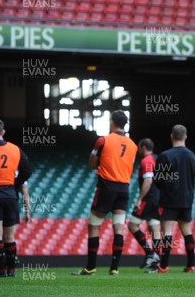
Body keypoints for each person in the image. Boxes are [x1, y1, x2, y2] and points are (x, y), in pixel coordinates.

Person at [73, 110, 137, 276]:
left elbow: (92, 164)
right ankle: (114, 268)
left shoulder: (103, 140)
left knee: (94, 226)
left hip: (107, 186)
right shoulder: (133, 145)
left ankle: (90, 267)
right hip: (124, 188)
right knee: (119, 227)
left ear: (112, 122)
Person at [147, 125, 195, 274]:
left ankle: (164, 266)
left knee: (167, 232)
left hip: (169, 199)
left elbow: (157, 180)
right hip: (187, 199)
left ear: (171, 136)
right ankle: (191, 265)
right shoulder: (192, 156)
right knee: (187, 231)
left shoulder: (165, 155)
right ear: (186, 137)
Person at [0, 118, 32, 277]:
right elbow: (28, 171)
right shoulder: (16, 149)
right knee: (10, 236)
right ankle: (11, 270)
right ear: (3, 132)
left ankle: (0, 271)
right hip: (11, 195)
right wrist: (15, 184)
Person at [127, 138, 161, 269]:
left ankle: (150, 253)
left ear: (143, 147)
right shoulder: (157, 159)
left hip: (149, 198)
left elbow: (148, 180)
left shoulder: (146, 160)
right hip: (158, 198)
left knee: (132, 225)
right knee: (154, 227)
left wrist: (140, 199)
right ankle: (156, 261)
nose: (138, 150)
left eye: (139, 147)